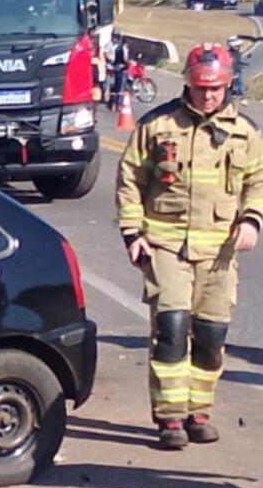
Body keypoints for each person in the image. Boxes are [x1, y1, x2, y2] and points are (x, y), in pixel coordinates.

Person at [116, 42, 263, 449]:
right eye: (201, 88)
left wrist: (252, 219)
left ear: (228, 85)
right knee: (172, 329)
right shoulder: (158, 125)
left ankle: (199, 413)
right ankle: (170, 418)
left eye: (215, 88)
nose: (208, 96)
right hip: (165, 246)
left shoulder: (245, 132)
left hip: (219, 253)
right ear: (188, 85)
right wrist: (132, 233)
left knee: (211, 336)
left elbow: (257, 182)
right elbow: (129, 180)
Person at [108, 31, 129, 109]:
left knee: (116, 86)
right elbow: (125, 58)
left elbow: (114, 59)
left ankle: (113, 104)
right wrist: (128, 63)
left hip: (116, 68)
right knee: (121, 87)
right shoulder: (124, 49)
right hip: (122, 68)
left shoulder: (116, 48)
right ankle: (119, 104)